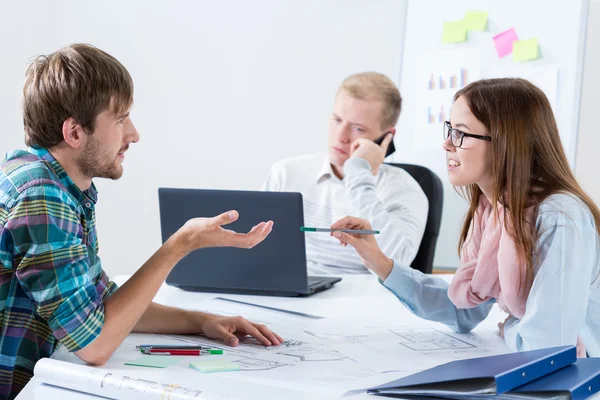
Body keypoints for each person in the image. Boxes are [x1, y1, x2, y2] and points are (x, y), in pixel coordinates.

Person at [0, 44, 283, 399]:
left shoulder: (53, 183)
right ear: (74, 133)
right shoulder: (42, 196)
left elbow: (100, 308)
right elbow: (95, 344)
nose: (133, 134)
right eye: (119, 120)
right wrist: (179, 246)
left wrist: (200, 322)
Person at [330, 78, 600, 357]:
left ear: (505, 142)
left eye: (461, 133)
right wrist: (380, 262)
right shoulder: (492, 212)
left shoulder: (560, 217)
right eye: (449, 129)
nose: (447, 144)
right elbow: (463, 311)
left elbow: (549, 346)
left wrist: (510, 327)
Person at [262, 72, 428, 275]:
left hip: (363, 302)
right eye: (337, 120)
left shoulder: (404, 190)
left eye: (358, 128)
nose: (341, 137)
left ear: (387, 137)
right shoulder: (285, 173)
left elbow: (396, 267)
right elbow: (257, 250)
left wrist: (358, 172)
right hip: (287, 294)